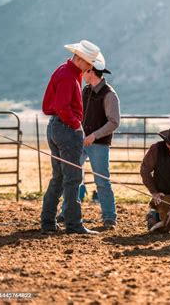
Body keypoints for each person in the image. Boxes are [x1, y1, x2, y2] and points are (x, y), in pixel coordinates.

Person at [41, 40, 101, 235]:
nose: (90, 67)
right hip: (66, 129)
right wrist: (76, 125)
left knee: (58, 177)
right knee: (73, 177)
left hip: (56, 127)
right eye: (89, 63)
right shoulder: (68, 76)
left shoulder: (64, 71)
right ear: (81, 59)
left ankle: (48, 222)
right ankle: (74, 225)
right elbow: (62, 106)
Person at [56, 52, 120, 230]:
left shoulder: (109, 95)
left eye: (85, 71)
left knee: (102, 181)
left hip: (98, 144)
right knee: (73, 178)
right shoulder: (85, 90)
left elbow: (114, 122)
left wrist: (94, 136)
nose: (82, 73)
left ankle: (109, 217)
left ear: (91, 71)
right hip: (81, 141)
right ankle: (66, 213)